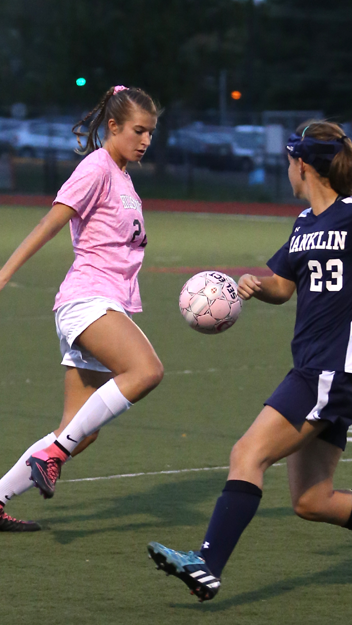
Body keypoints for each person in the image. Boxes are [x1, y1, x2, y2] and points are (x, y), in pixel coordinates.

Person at [148, 120, 352, 600]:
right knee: (310, 500)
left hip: (330, 370)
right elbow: (286, 284)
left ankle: (207, 564)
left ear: (302, 165)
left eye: (288, 163)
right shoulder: (305, 224)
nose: (287, 171)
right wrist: (259, 287)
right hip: (316, 366)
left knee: (247, 453)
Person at [0, 85, 164, 532]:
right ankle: (50, 456)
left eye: (151, 132)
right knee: (147, 371)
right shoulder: (97, 168)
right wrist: (2, 274)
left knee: (79, 431)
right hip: (87, 301)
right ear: (113, 127)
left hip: (104, 303)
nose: (146, 139)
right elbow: (50, 222)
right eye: (138, 130)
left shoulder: (124, 177)